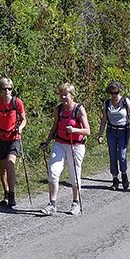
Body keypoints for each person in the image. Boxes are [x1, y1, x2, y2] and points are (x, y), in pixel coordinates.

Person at [39, 83, 91, 215]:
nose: (63, 97)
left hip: (76, 145)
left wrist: (74, 130)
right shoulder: (59, 109)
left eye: (65, 94)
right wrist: (47, 141)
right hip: (60, 143)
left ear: (72, 95)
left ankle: (75, 203)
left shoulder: (79, 109)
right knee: (53, 171)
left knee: (74, 175)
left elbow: (87, 131)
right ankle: (52, 204)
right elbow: (54, 126)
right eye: (61, 94)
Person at [0, 77, 27, 207]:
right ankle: (6, 193)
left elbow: (24, 119)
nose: (7, 91)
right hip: (0, 138)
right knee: (3, 169)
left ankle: (12, 195)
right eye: (4, 89)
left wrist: (20, 128)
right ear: (0, 90)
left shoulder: (17, 102)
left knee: (10, 164)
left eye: (9, 89)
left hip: (14, 137)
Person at [96, 81, 130, 191]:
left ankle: (124, 174)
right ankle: (115, 178)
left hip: (123, 131)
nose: (114, 95)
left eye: (116, 93)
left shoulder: (125, 101)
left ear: (119, 92)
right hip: (111, 131)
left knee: (122, 155)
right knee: (112, 155)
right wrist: (100, 134)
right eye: (111, 93)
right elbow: (104, 119)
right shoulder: (107, 103)